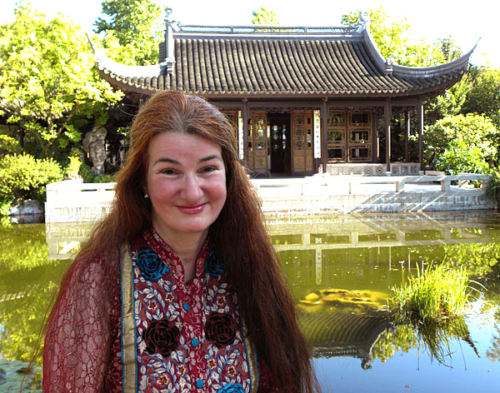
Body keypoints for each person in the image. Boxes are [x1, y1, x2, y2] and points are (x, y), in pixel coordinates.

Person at [43, 91, 319, 393]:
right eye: (170, 171)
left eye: (208, 169)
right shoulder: (100, 279)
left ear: (228, 175)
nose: (192, 191)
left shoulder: (249, 267)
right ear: (142, 181)